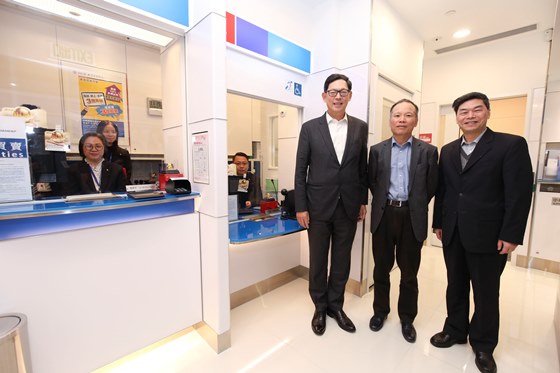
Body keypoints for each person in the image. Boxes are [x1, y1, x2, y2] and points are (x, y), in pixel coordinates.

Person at [430, 92, 533, 373]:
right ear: (457, 117)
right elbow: (445, 190)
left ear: (487, 113)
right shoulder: (448, 150)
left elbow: (519, 194)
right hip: (453, 230)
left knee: (486, 291)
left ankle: (484, 344)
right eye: (463, 112)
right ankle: (455, 330)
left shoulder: (509, 145)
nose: (470, 116)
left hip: (489, 234)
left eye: (477, 110)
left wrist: (511, 234)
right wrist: (438, 222)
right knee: (456, 284)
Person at [295, 73, 368, 335]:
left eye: (343, 92)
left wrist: (362, 200)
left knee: (341, 259)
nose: (338, 96)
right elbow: (301, 169)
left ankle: (336, 305)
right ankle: (319, 306)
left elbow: (362, 169)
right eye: (333, 92)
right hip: (317, 207)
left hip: (348, 206)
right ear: (324, 96)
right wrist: (301, 207)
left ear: (350, 95)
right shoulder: (310, 128)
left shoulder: (360, 127)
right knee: (317, 260)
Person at [367, 99, 438, 343]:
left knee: (409, 272)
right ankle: (380, 312)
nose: (402, 119)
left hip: (412, 216)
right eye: (397, 115)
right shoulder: (377, 150)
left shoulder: (428, 151)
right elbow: (372, 181)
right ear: (390, 120)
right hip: (384, 215)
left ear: (415, 121)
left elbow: (431, 186)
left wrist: (414, 204)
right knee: (381, 268)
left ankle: (407, 318)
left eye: (408, 115)